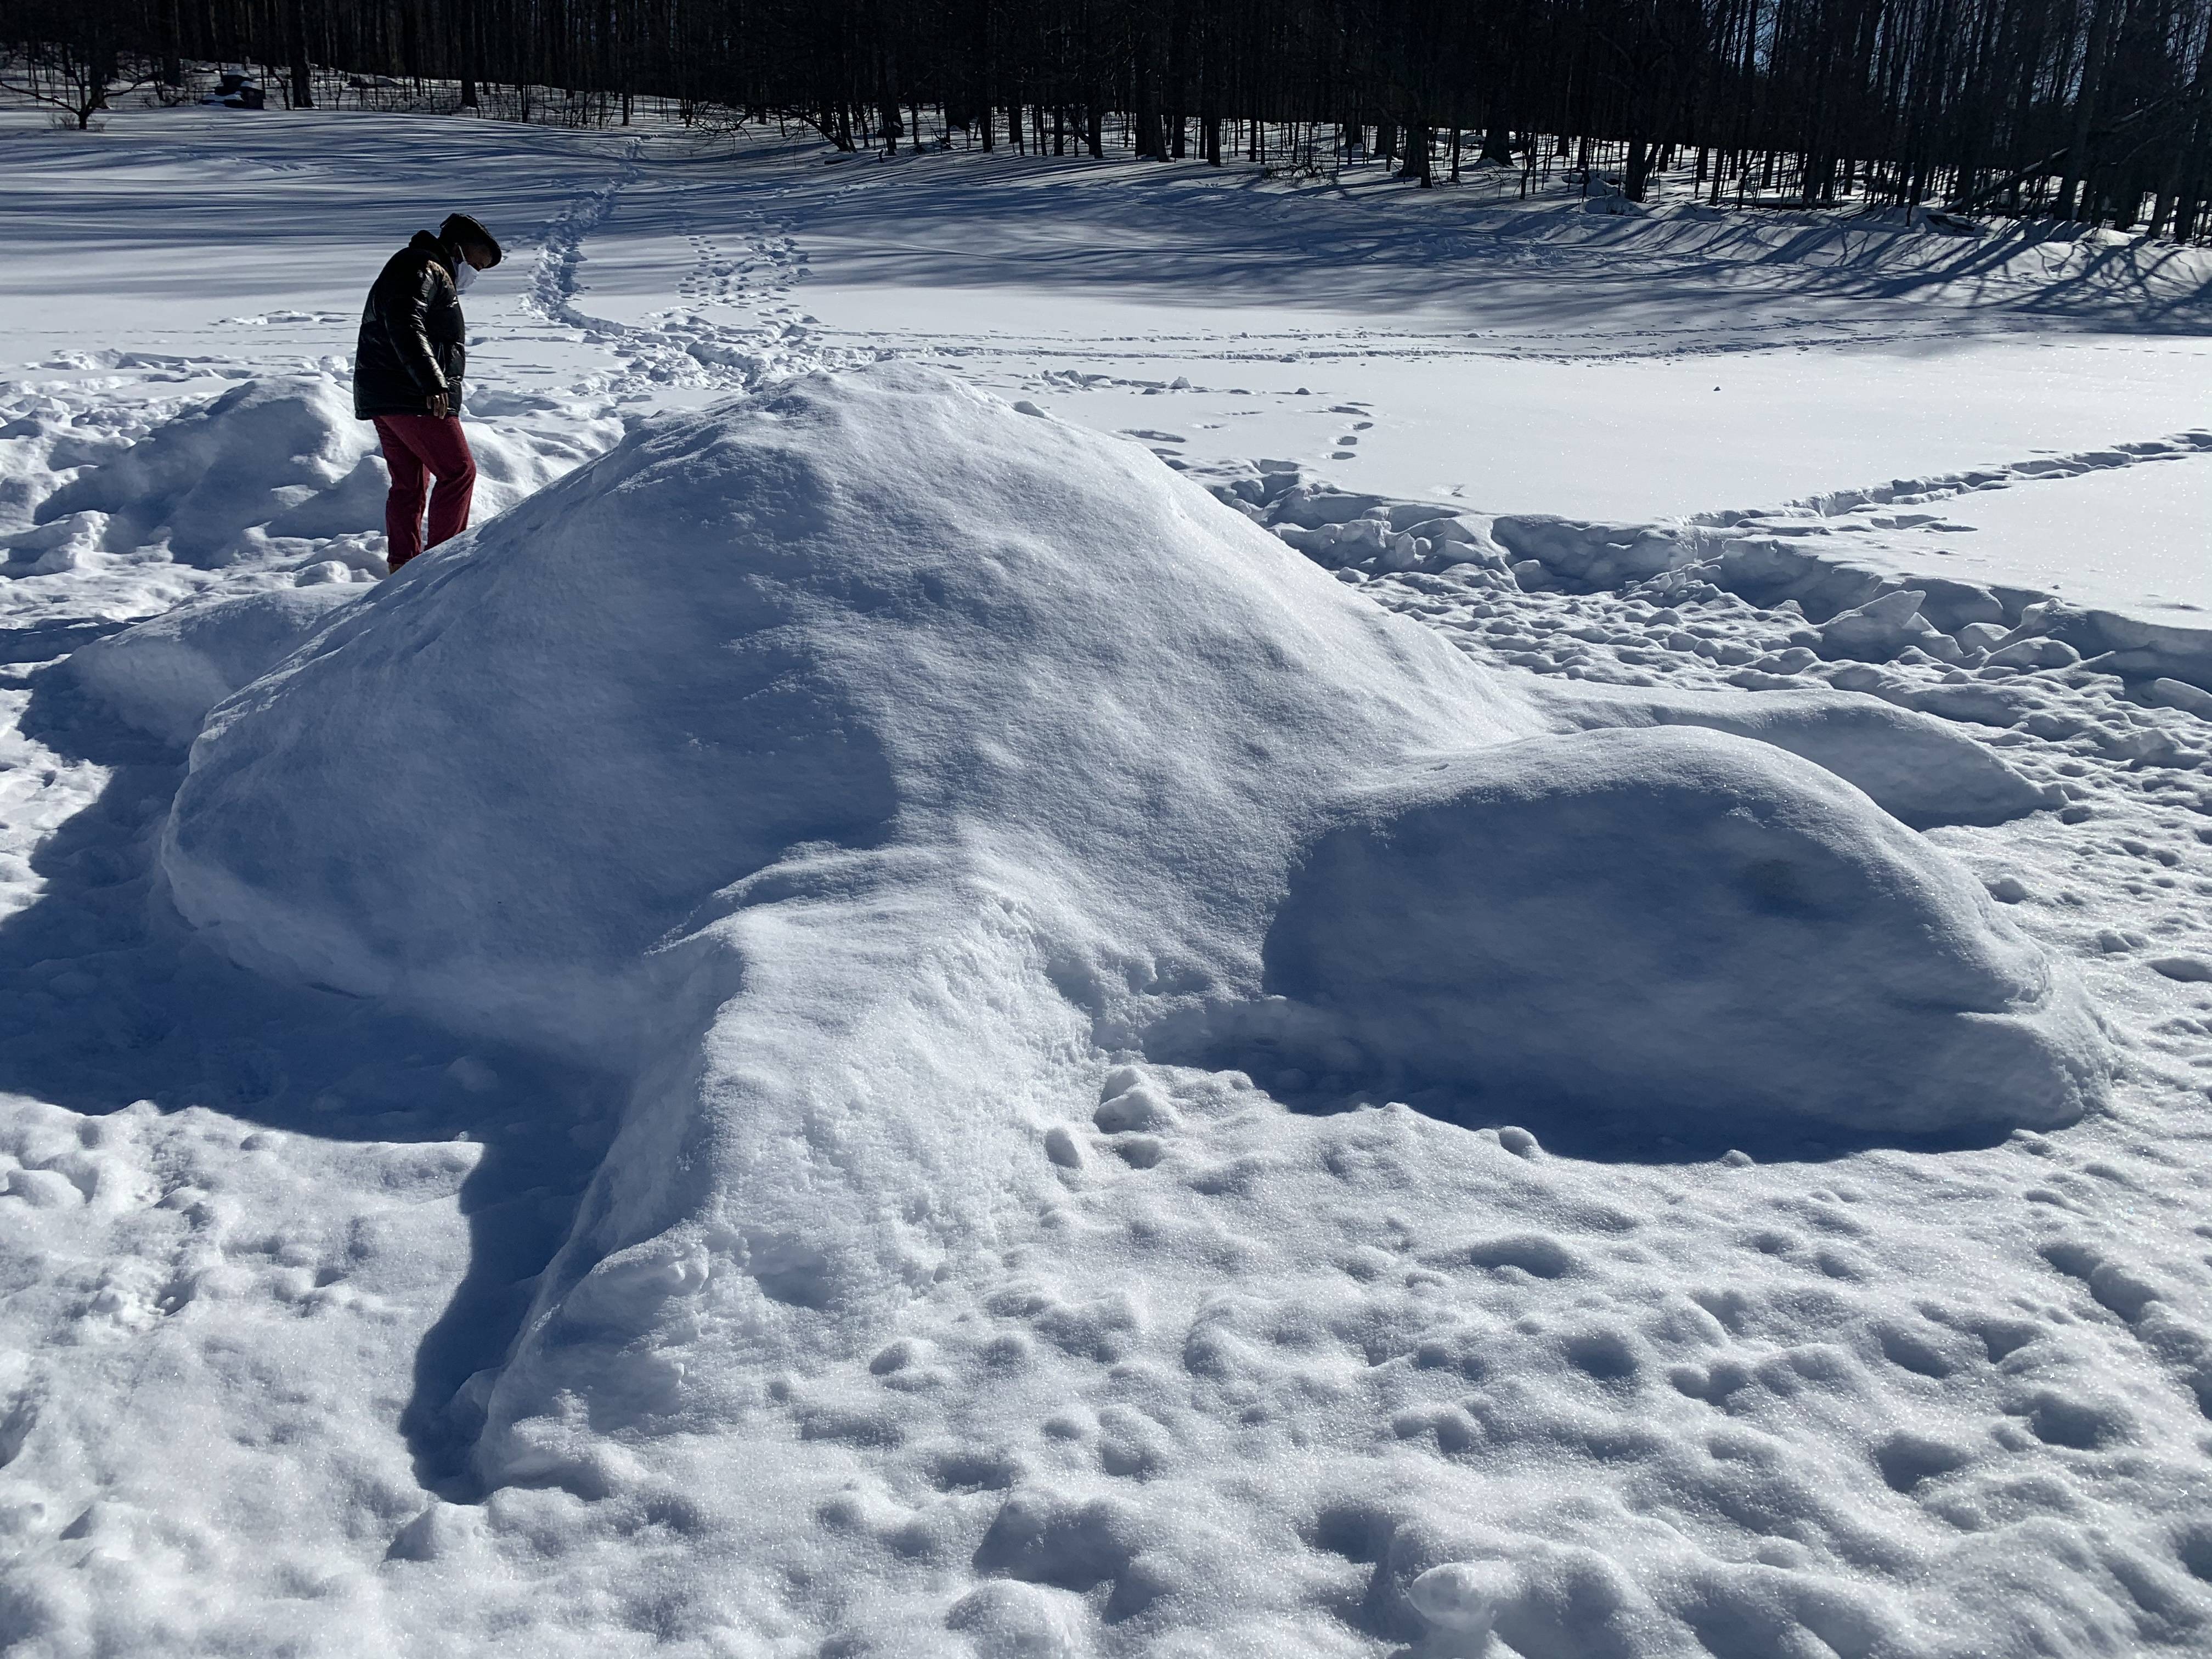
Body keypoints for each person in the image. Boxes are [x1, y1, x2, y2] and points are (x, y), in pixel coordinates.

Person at [353, 212, 502, 572]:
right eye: (475, 265)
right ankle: (442, 568)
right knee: (458, 472)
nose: (474, 276)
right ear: (457, 250)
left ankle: (402, 570)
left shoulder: (416, 266)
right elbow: (405, 320)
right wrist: (433, 382)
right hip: (412, 394)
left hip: (386, 391)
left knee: (408, 485)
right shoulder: (424, 268)